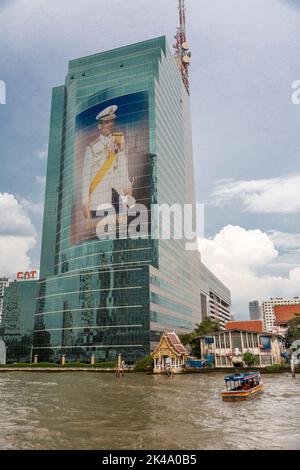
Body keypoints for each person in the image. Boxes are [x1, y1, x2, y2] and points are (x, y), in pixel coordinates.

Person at [82, 105, 133, 221]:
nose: (110, 124)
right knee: (99, 232)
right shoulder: (91, 147)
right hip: (99, 195)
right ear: (100, 125)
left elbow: (122, 165)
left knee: (120, 230)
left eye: (112, 121)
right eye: (106, 122)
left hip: (117, 193)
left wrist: (127, 186)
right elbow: (85, 178)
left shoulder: (118, 140)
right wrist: (85, 201)